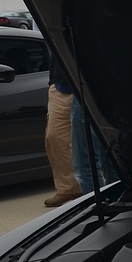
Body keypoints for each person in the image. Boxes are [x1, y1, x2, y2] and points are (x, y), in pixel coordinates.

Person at [43, 55, 81, 206]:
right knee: (54, 137)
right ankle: (68, 188)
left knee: (93, 142)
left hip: (86, 89)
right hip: (60, 89)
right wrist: (53, 81)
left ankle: (98, 187)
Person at [71, 94, 117, 194]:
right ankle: (120, 197)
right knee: (113, 161)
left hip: (85, 94)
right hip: (108, 94)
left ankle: (97, 200)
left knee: (85, 165)